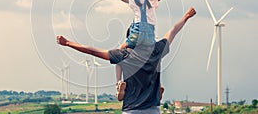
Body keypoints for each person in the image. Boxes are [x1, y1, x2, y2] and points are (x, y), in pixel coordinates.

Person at [57, 7, 196, 114]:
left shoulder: (123, 55)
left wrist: (68, 43)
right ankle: (155, 93)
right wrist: (186, 16)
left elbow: (93, 51)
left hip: (131, 109)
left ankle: (121, 90)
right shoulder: (156, 51)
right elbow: (172, 31)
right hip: (152, 109)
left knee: (121, 88)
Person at [93, 0, 173, 100]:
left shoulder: (134, 1)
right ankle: (158, 85)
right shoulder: (151, 0)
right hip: (150, 37)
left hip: (136, 33)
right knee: (154, 58)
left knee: (119, 54)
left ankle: (118, 83)